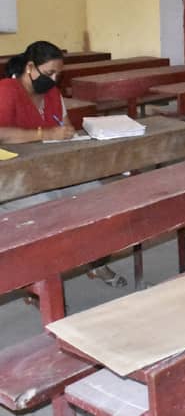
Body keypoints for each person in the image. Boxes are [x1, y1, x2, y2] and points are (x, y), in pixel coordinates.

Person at [0, 41, 126, 288]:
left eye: (58, 75)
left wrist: (67, 133)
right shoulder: (7, 90)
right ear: (30, 67)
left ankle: (95, 261)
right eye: (49, 73)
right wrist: (45, 133)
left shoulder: (52, 94)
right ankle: (42, 283)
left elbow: (64, 126)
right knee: (49, 210)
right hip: (13, 176)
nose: (54, 80)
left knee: (98, 198)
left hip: (50, 169)